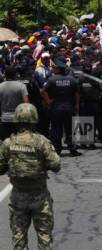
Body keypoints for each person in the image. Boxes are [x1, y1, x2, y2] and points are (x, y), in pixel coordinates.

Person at [0, 103, 61, 250]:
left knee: (18, 236)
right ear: (34, 119)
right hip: (39, 195)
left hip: (18, 196)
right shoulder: (41, 141)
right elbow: (56, 164)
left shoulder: (8, 143)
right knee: (44, 236)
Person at [41, 56, 82, 156]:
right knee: (70, 129)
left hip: (56, 108)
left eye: (54, 67)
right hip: (69, 107)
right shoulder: (72, 79)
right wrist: (77, 105)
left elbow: (42, 91)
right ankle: (72, 149)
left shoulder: (51, 80)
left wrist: (48, 101)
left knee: (56, 130)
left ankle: (57, 150)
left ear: (58, 69)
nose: (53, 69)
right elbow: (77, 93)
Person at [0, 66, 29, 141]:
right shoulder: (21, 86)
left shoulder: (0, 86)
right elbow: (26, 103)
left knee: (5, 143)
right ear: (15, 74)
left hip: (4, 119)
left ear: (5, 75)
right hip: (18, 120)